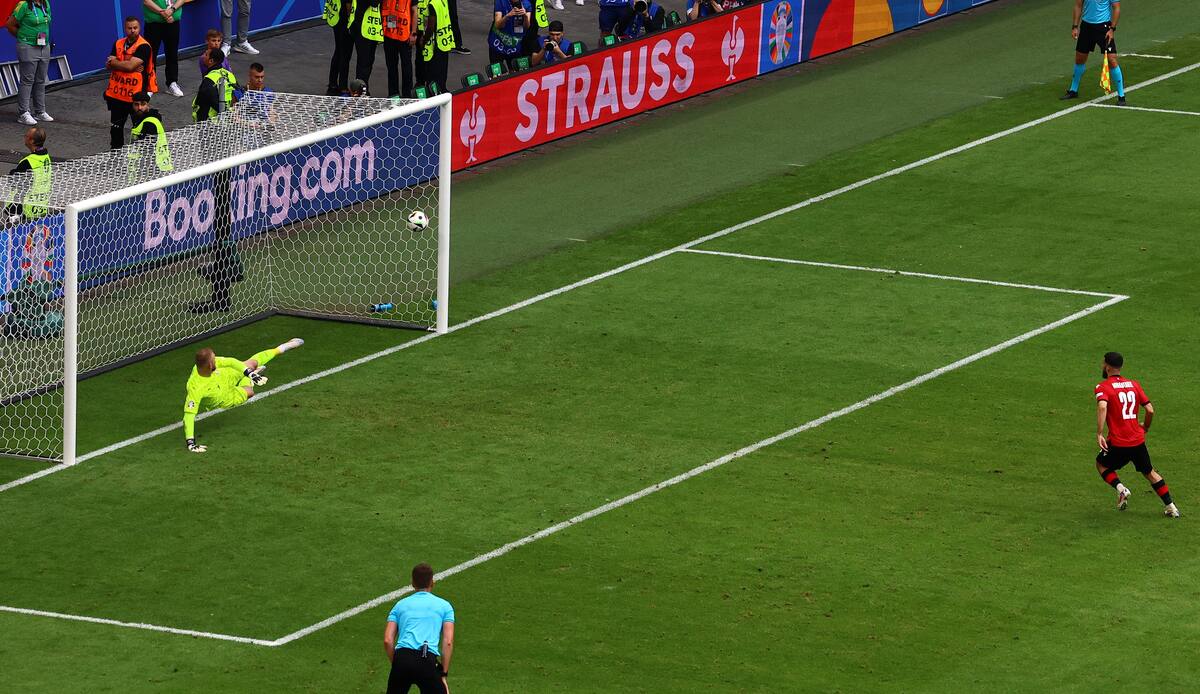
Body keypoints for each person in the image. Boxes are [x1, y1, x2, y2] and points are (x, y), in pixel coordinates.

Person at [1094, 352, 1179, 517]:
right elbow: (1149, 409)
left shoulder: (1103, 387)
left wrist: (1099, 433)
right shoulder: (1134, 384)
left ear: (1107, 366)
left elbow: (1103, 407)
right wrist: (1145, 426)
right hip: (1137, 440)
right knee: (1150, 473)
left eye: (1103, 363)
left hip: (1119, 441)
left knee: (1101, 464)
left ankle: (1121, 489)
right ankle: (1171, 507)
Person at [182, 339, 304, 453]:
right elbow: (189, 416)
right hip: (224, 398)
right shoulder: (195, 388)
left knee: (251, 364)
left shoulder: (210, 364)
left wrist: (249, 373)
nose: (216, 360)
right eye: (214, 359)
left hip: (223, 376)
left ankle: (282, 347)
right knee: (250, 392)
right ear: (209, 365)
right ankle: (248, 379)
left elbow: (231, 362)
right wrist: (191, 443)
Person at [384, 563, 455, 694]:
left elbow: (388, 640)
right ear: (432, 582)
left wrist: (397, 663)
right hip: (426, 659)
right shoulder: (445, 606)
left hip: (402, 658)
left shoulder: (399, 605)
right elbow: (448, 642)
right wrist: (443, 674)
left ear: (412, 582)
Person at [105, 16, 157, 150]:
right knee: (116, 130)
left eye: (135, 28)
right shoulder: (118, 43)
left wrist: (117, 63)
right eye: (130, 28)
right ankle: (116, 158)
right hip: (118, 95)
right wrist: (124, 64)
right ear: (125, 28)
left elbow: (128, 66)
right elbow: (108, 65)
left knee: (140, 128)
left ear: (139, 28)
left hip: (137, 96)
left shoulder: (144, 46)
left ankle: (144, 155)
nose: (133, 30)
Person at [1062, 0, 1125, 105]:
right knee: (1080, 59)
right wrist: (1075, 26)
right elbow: (1078, 5)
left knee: (1112, 60)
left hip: (1103, 28)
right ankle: (1073, 90)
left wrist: (1112, 29)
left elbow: (1116, 8)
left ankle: (1121, 96)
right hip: (1086, 27)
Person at [6, 0, 52, 125]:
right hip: (27, 47)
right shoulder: (24, 5)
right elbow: (10, 24)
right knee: (27, 80)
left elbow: (47, 23)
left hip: (44, 45)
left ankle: (40, 111)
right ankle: (23, 113)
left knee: (41, 79)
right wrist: (23, 37)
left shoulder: (45, 3)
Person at [143, 0, 194, 97]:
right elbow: (146, 1)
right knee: (150, 55)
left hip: (173, 22)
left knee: (172, 53)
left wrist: (172, 10)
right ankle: (149, 84)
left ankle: (172, 83)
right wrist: (163, 13)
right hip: (153, 23)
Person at [6, 126, 50, 221]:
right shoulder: (46, 158)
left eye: (26, 136)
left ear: (32, 141)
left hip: (24, 210)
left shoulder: (27, 162)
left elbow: (17, 184)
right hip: (41, 205)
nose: (24, 138)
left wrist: (12, 173)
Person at [128, 91, 173, 179]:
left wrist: (142, 171)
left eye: (143, 104)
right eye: (136, 105)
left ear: (148, 105)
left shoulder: (149, 123)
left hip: (149, 167)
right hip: (152, 166)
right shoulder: (143, 118)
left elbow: (148, 150)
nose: (139, 107)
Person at [416, 0, 454, 93]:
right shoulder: (443, 1)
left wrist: (423, 40)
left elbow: (430, 27)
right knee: (442, 73)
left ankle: (433, 95)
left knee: (432, 77)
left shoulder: (433, 4)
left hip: (435, 45)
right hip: (444, 42)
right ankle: (443, 91)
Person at [381, 0, 417, 98]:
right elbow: (392, 11)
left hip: (404, 35)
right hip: (391, 33)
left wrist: (413, 33)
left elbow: (414, 11)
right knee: (392, 67)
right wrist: (392, 30)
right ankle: (394, 95)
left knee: (406, 67)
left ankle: (407, 95)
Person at [193, 47, 237, 122]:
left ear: (211, 61)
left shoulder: (209, 79)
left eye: (206, 55)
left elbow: (205, 101)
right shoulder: (229, 75)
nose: (203, 56)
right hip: (227, 120)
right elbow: (236, 95)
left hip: (210, 122)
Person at [350, 0, 384, 91]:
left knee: (369, 61)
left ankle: (363, 90)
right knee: (363, 62)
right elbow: (374, 2)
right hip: (361, 29)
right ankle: (359, 91)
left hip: (371, 29)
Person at [488, 0, 530, 70]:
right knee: (496, 75)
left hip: (514, 47)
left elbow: (526, 27)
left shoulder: (526, 3)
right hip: (497, 45)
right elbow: (497, 25)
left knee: (517, 73)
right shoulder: (500, 1)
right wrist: (508, 15)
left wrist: (525, 16)